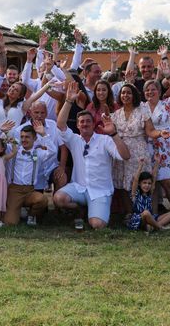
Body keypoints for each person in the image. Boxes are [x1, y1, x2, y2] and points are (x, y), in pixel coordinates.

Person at [54, 82, 130, 230]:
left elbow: (125, 156)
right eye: (81, 122)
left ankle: (92, 210)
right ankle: (79, 210)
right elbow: (61, 124)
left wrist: (113, 134)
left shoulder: (105, 140)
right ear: (77, 125)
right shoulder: (74, 140)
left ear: (94, 124)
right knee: (58, 198)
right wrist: (69, 100)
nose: (85, 124)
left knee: (97, 225)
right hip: (79, 188)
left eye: (88, 121)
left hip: (100, 190)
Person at [111, 83, 165, 215]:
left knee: (143, 183)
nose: (125, 95)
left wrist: (160, 133)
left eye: (128, 92)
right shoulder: (116, 114)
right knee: (124, 184)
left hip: (138, 152)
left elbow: (150, 131)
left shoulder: (142, 110)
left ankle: (148, 214)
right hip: (121, 151)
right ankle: (130, 214)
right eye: (123, 93)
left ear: (134, 95)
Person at [143, 60, 170, 220]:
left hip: (166, 148)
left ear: (159, 91)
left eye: (153, 89)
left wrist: (168, 75)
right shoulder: (141, 107)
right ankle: (153, 214)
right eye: (147, 90)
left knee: (169, 183)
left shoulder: (168, 104)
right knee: (151, 184)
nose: (150, 92)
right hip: (148, 148)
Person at [0, 121, 57, 226]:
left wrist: (44, 135)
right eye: (22, 137)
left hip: (30, 190)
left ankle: (31, 216)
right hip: (14, 190)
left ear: (34, 139)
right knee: (10, 223)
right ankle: (18, 211)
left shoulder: (38, 153)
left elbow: (53, 152)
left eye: (27, 137)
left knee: (42, 200)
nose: (23, 140)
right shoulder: (12, 149)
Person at [127, 167, 170, 232]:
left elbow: (154, 177)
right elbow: (135, 179)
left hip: (151, 218)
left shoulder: (149, 193)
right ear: (139, 183)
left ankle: (153, 226)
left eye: (149, 183)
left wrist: (157, 162)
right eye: (144, 183)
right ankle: (161, 227)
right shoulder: (135, 194)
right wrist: (140, 166)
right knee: (146, 213)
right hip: (140, 219)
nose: (147, 185)